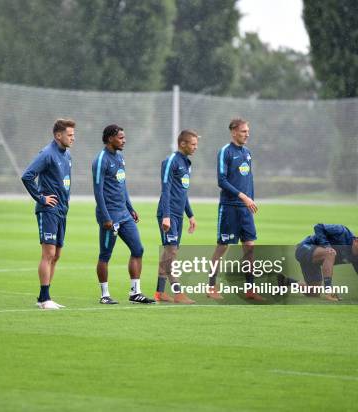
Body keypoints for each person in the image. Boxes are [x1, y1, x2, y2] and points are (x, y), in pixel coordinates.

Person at [92, 125, 155, 304]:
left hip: (124, 215)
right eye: (120, 138)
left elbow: (122, 185)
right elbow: (98, 191)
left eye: (124, 137)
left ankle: (135, 293)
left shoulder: (120, 157)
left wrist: (130, 207)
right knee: (105, 255)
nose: (124, 140)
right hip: (109, 216)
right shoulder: (101, 160)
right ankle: (104, 295)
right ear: (110, 138)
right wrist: (105, 217)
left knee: (138, 249)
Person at [207, 118, 263, 301]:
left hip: (245, 210)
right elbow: (221, 181)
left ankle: (250, 289)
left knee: (249, 247)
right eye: (243, 131)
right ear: (233, 132)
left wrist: (251, 200)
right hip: (229, 208)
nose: (247, 134)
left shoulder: (247, 153)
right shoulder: (225, 152)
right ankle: (211, 287)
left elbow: (249, 179)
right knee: (222, 247)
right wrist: (243, 197)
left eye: (248, 131)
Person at [22, 119, 75, 310]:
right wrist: (41, 198)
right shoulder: (47, 154)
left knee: (57, 254)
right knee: (49, 253)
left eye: (73, 135)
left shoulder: (67, 154)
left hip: (62, 210)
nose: (73, 138)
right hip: (48, 210)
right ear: (58, 135)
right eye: (69, 135)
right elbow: (27, 176)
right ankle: (45, 298)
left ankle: (44, 297)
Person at [154, 130, 199, 304]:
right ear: (183, 144)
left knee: (170, 252)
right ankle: (178, 293)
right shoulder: (171, 161)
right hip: (168, 213)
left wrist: (190, 215)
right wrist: (166, 216)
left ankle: (160, 292)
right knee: (171, 251)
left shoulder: (187, 163)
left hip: (178, 214)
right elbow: (165, 189)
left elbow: (182, 192)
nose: (196, 147)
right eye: (193, 144)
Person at [294, 224, 358, 303]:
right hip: (304, 248)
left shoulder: (356, 257)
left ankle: (286, 281)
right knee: (330, 253)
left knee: (313, 292)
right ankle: (329, 291)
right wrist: (327, 246)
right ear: (356, 240)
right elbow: (318, 227)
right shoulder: (342, 231)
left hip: (313, 262)